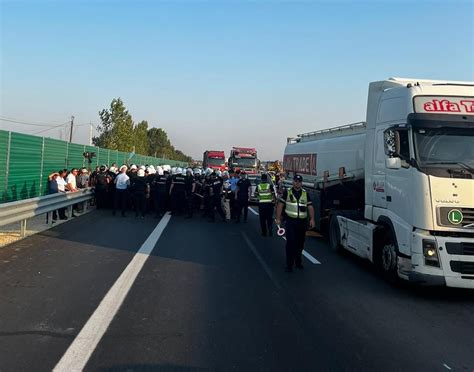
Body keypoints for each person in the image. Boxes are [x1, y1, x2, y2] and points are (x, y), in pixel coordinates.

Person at [275, 174, 315, 272]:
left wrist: (312, 219)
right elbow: (280, 205)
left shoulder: (305, 193)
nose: (297, 183)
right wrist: (278, 218)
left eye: (299, 181)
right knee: (290, 242)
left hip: (302, 222)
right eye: (296, 181)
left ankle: (298, 262)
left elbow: (310, 206)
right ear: (293, 182)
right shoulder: (287, 192)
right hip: (290, 221)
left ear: (301, 183)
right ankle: (289, 264)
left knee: (300, 243)